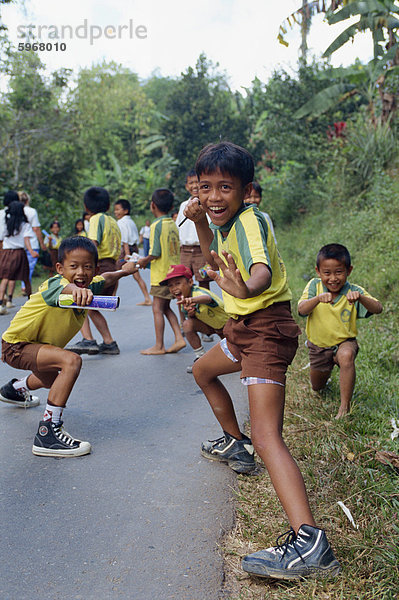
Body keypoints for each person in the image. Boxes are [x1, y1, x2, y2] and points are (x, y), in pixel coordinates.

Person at [183, 141, 341, 581]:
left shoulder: (250, 221)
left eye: (225, 187)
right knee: (202, 369)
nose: (214, 196)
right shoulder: (229, 222)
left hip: (266, 331)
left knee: (269, 436)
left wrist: (245, 289)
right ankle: (235, 442)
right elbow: (217, 252)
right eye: (205, 188)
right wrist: (201, 227)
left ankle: (310, 542)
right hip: (243, 329)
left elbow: (260, 272)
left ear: (246, 190)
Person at [0, 236, 137, 457]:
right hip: (17, 345)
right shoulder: (56, 284)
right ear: (60, 268)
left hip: (39, 347)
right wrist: (75, 290)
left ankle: (15, 389)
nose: (80, 272)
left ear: (95, 268)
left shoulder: (92, 283)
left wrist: (125, 271)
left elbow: (107, 278)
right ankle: (47, 433)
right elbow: (64, 287)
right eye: (73, 267)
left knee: (53, 381)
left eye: (87, 267)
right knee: (71, 361)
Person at [298, 243, 382, 419]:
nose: (333, 278)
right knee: (317, 386)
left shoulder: (354, 291)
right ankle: (323, 381)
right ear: (318, 271)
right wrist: (317, 299)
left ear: (348, 271)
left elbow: (378, 308)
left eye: (339, 272)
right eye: (327, 273)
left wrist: (361, 298)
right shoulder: (314, 286)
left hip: (345, 342)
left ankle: (344, 407)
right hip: (318, 347)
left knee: (346, 356)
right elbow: (302, 310)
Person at [67, 187, 121, 356]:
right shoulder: (113, 221)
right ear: (108, 205)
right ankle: (109, 342)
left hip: (99, 267)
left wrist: (79, 266)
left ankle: (88, 340)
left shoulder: (96, 219)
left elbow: (92, 245)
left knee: (80, 301)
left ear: (86, 207)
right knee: (91, 306)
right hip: (112, 266)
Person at [136, 188, 185, 355]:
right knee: (165, 308)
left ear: (152, 205)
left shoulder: (156, 225)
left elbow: (155, 252)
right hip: (173, 272)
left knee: (157, 308)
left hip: (162, 275)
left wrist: (143, 260)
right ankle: (179, 338)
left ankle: (159, 346)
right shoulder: (172, 223)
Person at [160, 263, 229, 372]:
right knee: (187, 324)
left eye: (178, 283)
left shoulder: (197, 292)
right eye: (170, 285)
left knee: (235, 355)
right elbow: (191, 317)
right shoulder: (184, 301)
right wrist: (191, 313)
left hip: (228, 327)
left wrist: (192, 300)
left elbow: (207, 299)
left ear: (190, 282)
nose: (174, 288)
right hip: (212, 327)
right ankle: (201, 357)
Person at [0, 201, 38, 314]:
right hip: (19, 253)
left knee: (5, 278)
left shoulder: (6, 224)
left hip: (6, 253)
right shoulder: (25, 225)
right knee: (25, 277)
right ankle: (30, 301)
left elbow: (1, 239)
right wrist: (32, 252)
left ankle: (1, 303)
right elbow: (27, 240)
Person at [113, 198, 151, 306]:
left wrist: (126, 254)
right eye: (115, 210)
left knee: (115, 274)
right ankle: (147, 298)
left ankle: (112, 298)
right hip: (133, 249)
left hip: (127, 251)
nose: (116, 212)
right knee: (136, 275)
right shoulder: (131, 221)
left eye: (118, 209)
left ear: (125, 210)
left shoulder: (121, 222)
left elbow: (124, 239)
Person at [19, 191, 47, 298]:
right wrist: (41, 243)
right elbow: (36, 228)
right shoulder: (31, 211)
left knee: (21, 266)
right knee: (29, 267)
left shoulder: (15, 210)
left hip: (19, 243)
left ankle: (22, 285)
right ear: (27, 201)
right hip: (32, 242)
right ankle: (23, 285)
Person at [0, 191, 20, 306]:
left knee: (4, 274)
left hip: (3, 245)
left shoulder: (1, 213)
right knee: (10, 274)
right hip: (9, 247)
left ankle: (3, 299)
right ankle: (8, 299)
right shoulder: (15, 214)